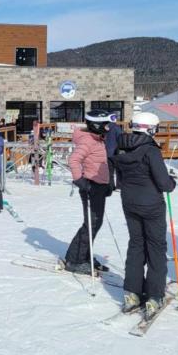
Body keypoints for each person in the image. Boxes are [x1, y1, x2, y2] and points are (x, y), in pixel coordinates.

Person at [110, 112, 176, 320]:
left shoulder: (120, 145)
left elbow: (119, 177)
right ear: (150, 128)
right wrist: (171, 182)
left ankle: (132, 291)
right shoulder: (150, 149)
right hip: (151, 203)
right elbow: (164, 183)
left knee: (136, 244)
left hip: (129, 201)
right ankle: (154, 295)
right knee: (156, 246)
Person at [64, 109, 113, 274]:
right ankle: (74, 260)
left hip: (99, 186)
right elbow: (74, 160)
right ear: (97, 125)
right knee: (91, 224)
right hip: (90, 186)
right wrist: (81, 181)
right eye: (106, 125)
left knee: (95, 224)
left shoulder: (97, 139)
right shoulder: (88, 141)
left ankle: (84, 255)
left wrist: (107, 184)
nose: (108, 128)